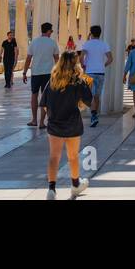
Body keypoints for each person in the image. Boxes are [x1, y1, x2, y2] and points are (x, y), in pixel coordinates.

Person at [40, 50, 92, 199]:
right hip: (73, 124)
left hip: (55, 123)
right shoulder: (78, 81)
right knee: (73, 156)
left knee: (54, 157)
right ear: (75, 63)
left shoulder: (53, 80)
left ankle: (51, 189)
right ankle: (75, 185)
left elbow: (44, 104)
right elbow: (89, 101)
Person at [22, 22, 59, 128]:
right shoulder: (52, 43)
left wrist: (24, 72)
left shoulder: (34, 42)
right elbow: (57, 59)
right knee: (45, 97)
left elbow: (28, 59)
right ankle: (42, 122)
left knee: (34, 95)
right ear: (48, 31)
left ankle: (34, 120)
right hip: (48, 73)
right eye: (51, 31)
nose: (51, 33)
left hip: (36, 73)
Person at [79, 24, 113, 128]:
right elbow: (110, 59)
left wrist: (83, 65)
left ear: (91, 33)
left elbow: (81, 57)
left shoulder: (87, 44)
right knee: (97, 96)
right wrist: (103, 65)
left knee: (89, 95)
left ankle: (93, 116)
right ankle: (95, 115)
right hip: (101, 72)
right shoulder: (104, 44)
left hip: (89, 72)